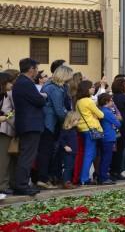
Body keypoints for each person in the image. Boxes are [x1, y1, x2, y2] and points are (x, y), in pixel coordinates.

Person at [13, 58, 47, 196]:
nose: (37, 72)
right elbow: (38, 100)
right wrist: (43, 96)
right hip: (30, 124)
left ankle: (21, 184)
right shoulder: (25, 83)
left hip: (27, 124)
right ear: (31, 69)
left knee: (26, 155)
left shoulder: (21, 82)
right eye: (36, 69)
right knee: (27, 156)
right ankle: (21, 185)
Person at [37, 65, 73, 189]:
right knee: (46, 152)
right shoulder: (56, 89)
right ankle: (43, 179)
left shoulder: (48, 85)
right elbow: (59, 110)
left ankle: (44, 178)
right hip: (50, 123)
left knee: (44, 152)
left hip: (45, 122)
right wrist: (69, 120)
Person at [76, 80, 104, 185]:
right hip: (92, 129)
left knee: (89, 153)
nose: (93, 88)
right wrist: (95, 114)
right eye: (91, 87)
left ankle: (83, 176)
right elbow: (101, 115)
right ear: (86, 89)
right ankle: (84, 178)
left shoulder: (78, 101)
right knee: (89, 154)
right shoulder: (88, 101)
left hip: (83, 129)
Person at [0, 72, 17, 196]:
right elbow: (7, 114)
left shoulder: (6, 94)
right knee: (4, 159)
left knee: (7, 158)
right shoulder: (5, 96)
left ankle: (6, 183)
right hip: (4, 129)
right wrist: (16, 126)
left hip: (5, 129)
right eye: (10, 82)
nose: (12, 84)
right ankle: (3, 185)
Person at [97, 93, 120, 185]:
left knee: (103, 157)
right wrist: (116, 120)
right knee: (107, 158)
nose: (113, 102)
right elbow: (118, 123)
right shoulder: (107, 112)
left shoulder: (101, 110)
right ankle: (103, 177)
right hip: (109, 137)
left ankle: (102, 175)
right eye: (111, 100)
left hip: (104, 136)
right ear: (106, 101)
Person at [59, 111, 79, 189]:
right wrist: (65, 146)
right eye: (77, 120)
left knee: (71, 166)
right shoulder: (66, 130)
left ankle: (68, 181)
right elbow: (61, 139)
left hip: (73, 152)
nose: (78, 122)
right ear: (72, 119)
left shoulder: (74, 129)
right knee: (68, 167)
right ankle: (66, 182)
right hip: (68, 152)